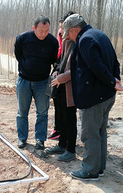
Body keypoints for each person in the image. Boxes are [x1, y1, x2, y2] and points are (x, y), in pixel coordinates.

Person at [62, 14, 123, 180]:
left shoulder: (85, 40)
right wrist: (115, 80)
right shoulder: (99, 34)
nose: (70, 37)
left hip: (94, 98)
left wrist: (112, 81)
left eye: (70, 34)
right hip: (106, 96)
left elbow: (97, 67)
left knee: (90, 134)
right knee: (100, 132)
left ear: (75, 29)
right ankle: (99, 167)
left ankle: (90, 171)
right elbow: (115, 61)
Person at [14, 15, 58, 150]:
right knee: (22, 112)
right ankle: (22, 138)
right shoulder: (23, 39)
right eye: (41, 31)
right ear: (34, 28)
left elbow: (53, 60)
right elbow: (18, 55)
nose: (44, 34)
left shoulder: (52, 41)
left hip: (43, 82)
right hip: (24, 81)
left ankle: (40, 140)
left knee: (42, 113)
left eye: (47, 30)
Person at [46, 13, 77, 162]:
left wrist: (61, 77)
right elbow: (61, 61)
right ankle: (62, 144)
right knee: (62, 117)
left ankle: (70, 150)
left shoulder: (78, 43)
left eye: (63, 28)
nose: (61, 32)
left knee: (70, 118)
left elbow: (77, 69)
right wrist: (57, 70)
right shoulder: (65, 41)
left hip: (71, 87)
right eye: (60, 28)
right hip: (61, 85)